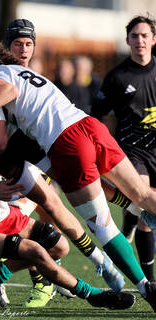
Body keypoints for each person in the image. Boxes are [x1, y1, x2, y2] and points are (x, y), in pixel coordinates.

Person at [0, 43, 156, 312]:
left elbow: (0, 139)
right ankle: (134, 211)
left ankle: (146, 287)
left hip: (67, 143)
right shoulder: (20, 72)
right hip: (88, 125)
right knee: (142, 194)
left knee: (103, 226)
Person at [0, 149, 135, 310]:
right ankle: (92, 295)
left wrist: (98, 258)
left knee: (60, 247)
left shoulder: (13, 148)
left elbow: (54, 203)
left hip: (5, 216)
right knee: (35, 250)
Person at [92, 15, 156, 283]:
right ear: (128, 40)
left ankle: (129, 221)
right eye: (134, 36)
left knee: (142, 210)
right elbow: (98, 117)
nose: (139, 41)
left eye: (144, 36)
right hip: (132, 150)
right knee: (145, 207)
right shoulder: (117, 77)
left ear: (154, 39)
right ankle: (150, 281)